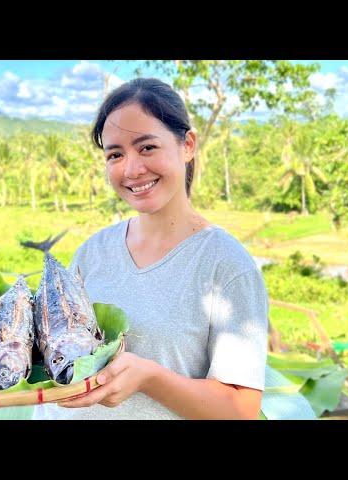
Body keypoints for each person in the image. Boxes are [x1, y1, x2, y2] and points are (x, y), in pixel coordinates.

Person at [32, 77, 269, 420]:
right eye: (115, 154)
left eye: (147, 147)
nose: (131, 169)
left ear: (187, 145)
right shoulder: (92, 252)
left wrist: (150, 378)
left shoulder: (226, 265)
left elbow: (242, 409)